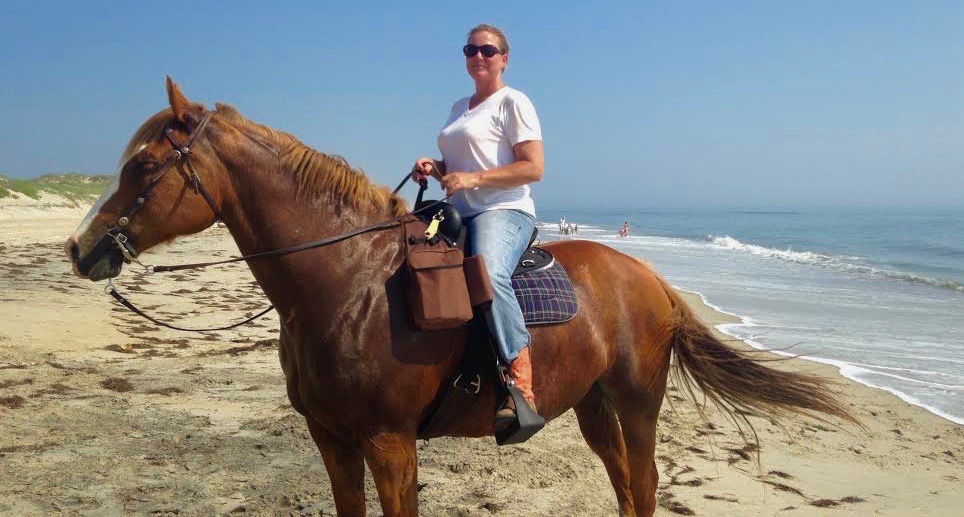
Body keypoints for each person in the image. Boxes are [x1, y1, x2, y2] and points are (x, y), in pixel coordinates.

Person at [412, 24, 544, 425]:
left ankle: (521, 386)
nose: (479, 56)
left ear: (504, 58)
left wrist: (473, 180)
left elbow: (533, 168)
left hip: (504, 209)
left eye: (488, 50)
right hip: (459, 211)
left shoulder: (513, 102)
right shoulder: (459, 107)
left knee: (487, 271)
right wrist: (435, 169)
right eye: (471, 49)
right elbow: (461, 168)